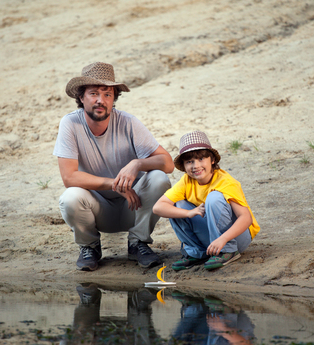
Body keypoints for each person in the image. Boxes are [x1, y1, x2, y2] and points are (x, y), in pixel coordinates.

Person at [53, 62, 174, 271]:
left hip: (134, 207)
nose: (101, 100)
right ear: (81, 97)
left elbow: (169, 163)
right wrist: (115, 184)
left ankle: (138, 242)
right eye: (93, 93)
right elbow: (69, 177)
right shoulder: (70, 124)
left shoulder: (128, 122)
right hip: (97, 210)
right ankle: (89, 246)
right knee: (69, 197)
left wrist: (137, 163)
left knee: (159, 178)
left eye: (107, 94)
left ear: (113, 99)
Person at [153, 131, 259, 271]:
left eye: (201, 159)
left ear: (212, 160)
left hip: (235, 237)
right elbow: (158, 207)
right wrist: (188, 213)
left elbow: (246, 218)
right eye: (189, 161)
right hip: (213, 237)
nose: (195, 166)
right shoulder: (187, 181)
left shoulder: (225, 181)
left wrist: (223, 239)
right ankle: (197, 252)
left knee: (214, 198)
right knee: (178, 206)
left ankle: (228, 252)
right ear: (184, 166)